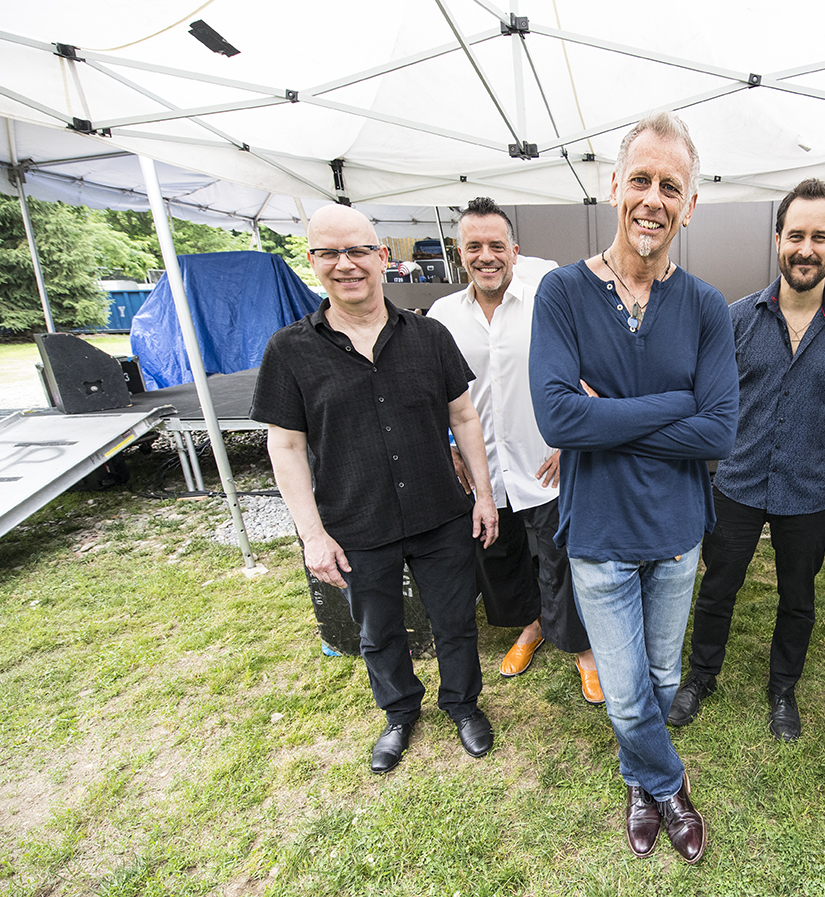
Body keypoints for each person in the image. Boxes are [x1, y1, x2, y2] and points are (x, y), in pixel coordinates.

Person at [530, 112, 738, 864]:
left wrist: (604, 416)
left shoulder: (707, 306)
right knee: (623, 693)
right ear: (614, 186)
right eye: (641, 180)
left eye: (670, 186)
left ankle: (638, 780)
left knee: (660, 674)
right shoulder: (560, 293)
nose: (653, 198)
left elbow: (720, 433)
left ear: (690, 204)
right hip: (600, 534)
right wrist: (676, 404)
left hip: (678, 531)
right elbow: (557, 414)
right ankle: (669, 787)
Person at [252, 204, 500, 774]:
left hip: (441, 514)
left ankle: (463, 705)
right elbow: (284, 447)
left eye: (358, 250)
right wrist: (311, 535)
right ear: (312, 262)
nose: (346, 265)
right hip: (356, 521)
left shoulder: (430, 336)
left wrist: (483, 497)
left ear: (382, 257)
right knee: (378, 629)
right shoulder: (289, 350)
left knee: (456, 620)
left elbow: (463, 417)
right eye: (329, 253)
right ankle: (398, 713)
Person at [668, 178, 825, 740]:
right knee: (717, 587)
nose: (806, 248)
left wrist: (814, 449)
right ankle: (702, 675)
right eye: (795, 235)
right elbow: (705, 401)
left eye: (820, 236)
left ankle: (783, 690)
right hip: (735, 483)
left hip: (807, 491)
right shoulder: (735, 320)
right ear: (777, 239)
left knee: (799, 598)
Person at [427, 197, 601, 705]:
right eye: (474, 246)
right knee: (498, 556)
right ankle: (530, 626)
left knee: (560, 556)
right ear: (460, 254)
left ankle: (580, 648)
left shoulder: (545, 302)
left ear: (514, 251)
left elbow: (589, 374)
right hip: (482, 470)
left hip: (542, 459)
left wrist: (573, 440)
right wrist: (449, 446)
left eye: (496, 246)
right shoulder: (441, 317)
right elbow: (428, 391)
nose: (486, 256)